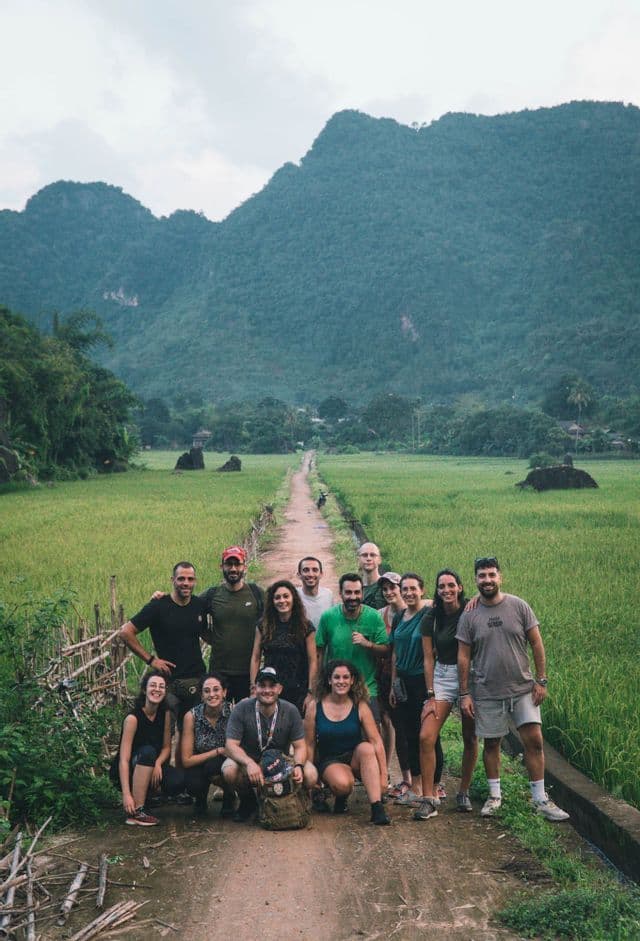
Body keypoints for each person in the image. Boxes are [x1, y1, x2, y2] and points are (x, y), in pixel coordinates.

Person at [456, 557, 569, 822]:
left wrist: (541, 681)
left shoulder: (519, 606)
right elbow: (463, 656)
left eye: (491, 575)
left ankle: (540, 799)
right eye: (482, 576)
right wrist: (464, 693)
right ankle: (495, 796)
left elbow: (537, 644)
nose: (487, 580)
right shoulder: (469, 614)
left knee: (535, 741)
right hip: (486, 690)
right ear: (475, 580)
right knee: (492, 742)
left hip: (522, 689)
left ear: (500, 577)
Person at [414, 569, 477, 821]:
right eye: (442, 586)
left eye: (452, 585)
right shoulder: (432, 616)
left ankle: (463, 791)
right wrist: (430, 693)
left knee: (470, 736)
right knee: (426, 735)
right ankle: (429, 798)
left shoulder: (472, 610)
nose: (447, 590)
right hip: (442, 675)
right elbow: (428, 657)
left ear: (460, 587)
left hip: (471, 676)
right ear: (437, 591)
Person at [119, 562, 209, 736]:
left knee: (193, 735)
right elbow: (126, 632)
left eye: (190, 579)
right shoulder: (158, 606)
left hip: (196, 680)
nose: (185, 583)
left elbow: (207, 634)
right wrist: (151, 660)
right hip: (169, 683)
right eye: (181, 578)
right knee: (164, 734)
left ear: (195, 581)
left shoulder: (199, 605)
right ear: (172, 580)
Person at [222, 666, 315, 822]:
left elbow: (300, 746)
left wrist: (298, 765)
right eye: (262, 685)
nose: (267, 690)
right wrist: (249, 762)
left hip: (280, 760)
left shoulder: (291, 710)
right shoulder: (241, 708)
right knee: (229, 770)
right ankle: (248, 802)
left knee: (311, 774)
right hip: (250, 759)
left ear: (279, 689)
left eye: (272, 686)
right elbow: (230, 745)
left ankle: (294, 801)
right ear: (254, 688)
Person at [305, 660, 390, 825]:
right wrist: (311, 774)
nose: (341, 681)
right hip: (330, 760)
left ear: (352, 680)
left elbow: (376, 741)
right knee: (343, 784)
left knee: (366, 748)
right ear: (329, 680)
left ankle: (377, 808)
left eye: (345, 677)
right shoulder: (315, 706)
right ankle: (340, 796)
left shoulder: (360, 705)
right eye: (336, 677)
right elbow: (309, 744)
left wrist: (384, 776)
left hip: (355, 757)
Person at [111, 671, 184, 826]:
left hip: (151, 763)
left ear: (165, 692)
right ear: (144, 690)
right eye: (153, 685)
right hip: (130, 767)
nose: (157, 689)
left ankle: (148, 797)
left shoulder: (164, 714)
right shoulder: (133, 718)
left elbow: (166, 748)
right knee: (147, 751)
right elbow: (123, 759)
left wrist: (157, 764)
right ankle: (137, 811)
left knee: (177, 781)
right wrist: (126, 794)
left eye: (161, 687)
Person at [315, 573, 389, 721]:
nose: (353, 597)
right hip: (336, 686)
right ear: (341, 594)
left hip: (367, 687)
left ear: (362, 593)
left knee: (372, 735)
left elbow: (386, 650)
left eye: (357, 592)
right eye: (348, 592)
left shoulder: (374, 617)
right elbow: (319, 652)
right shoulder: (328, 617)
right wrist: (318, 684)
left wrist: (368, 644)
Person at [200, 546, 265, 703]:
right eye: (229, 564)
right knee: (218, 718)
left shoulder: (256, 593)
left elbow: (273, 619)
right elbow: (188, 608)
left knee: (246, 720)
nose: (233, 569)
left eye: (238, 564)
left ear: (245, 566)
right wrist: (164, 597)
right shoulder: (212, 595)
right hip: (220, 671)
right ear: (222, 566)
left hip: (248, 671)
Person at [387, 573, 429, 807]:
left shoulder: (428, 613)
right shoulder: (400, 616)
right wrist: (394, 683)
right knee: (410, 735)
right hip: (402, 682)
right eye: (405, 589)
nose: (409, 593)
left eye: (414, 588)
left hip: (422, 682)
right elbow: (394, 652)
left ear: (422, 590)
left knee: (427, 736)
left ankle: (431, 788)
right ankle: (415, 787)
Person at [249, 579, 317, 714]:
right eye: (277, 597)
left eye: (286, 596)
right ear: (272, 601)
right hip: (270, 686)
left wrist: (310, 692)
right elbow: (256, 657)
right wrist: (253, 688)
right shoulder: (264, 626)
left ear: (294, 599)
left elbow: (313, 660)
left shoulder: (305, 627)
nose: (282, 601)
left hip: (299, 687)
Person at [181, 673, 235, 816]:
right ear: (201, 695)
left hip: (225, 761)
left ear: (224, 692)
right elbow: (186, 760)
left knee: (214, 767)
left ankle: (229, 794)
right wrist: (216, 751)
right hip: (200, 760)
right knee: (192, 784)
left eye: (216, 690)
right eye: (207, 691)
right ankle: (200, 797)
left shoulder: (233, 712)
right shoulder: (191, 716)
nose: (212, 694)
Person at [377, 572, 404, 793]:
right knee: (386, 720)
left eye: (393, 587)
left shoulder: (416, 611)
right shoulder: (379, 615)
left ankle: (414, 778)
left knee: (405, 725)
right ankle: (385, 768)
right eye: (385, 589)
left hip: (408, 674)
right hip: (385, 675)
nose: (389, 592)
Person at [296, 556, 334, 628]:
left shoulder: (328, 594)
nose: (310, 574)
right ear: (299, 575)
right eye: (306, 570)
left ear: (321, 574)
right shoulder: (294, 596)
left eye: (315, 570)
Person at [358, 542, 386, 609]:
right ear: (358, 560)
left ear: (379, 560)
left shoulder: (386, 585)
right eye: (364, 555)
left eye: (373, 555)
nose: (368, 558)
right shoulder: (354, 587)